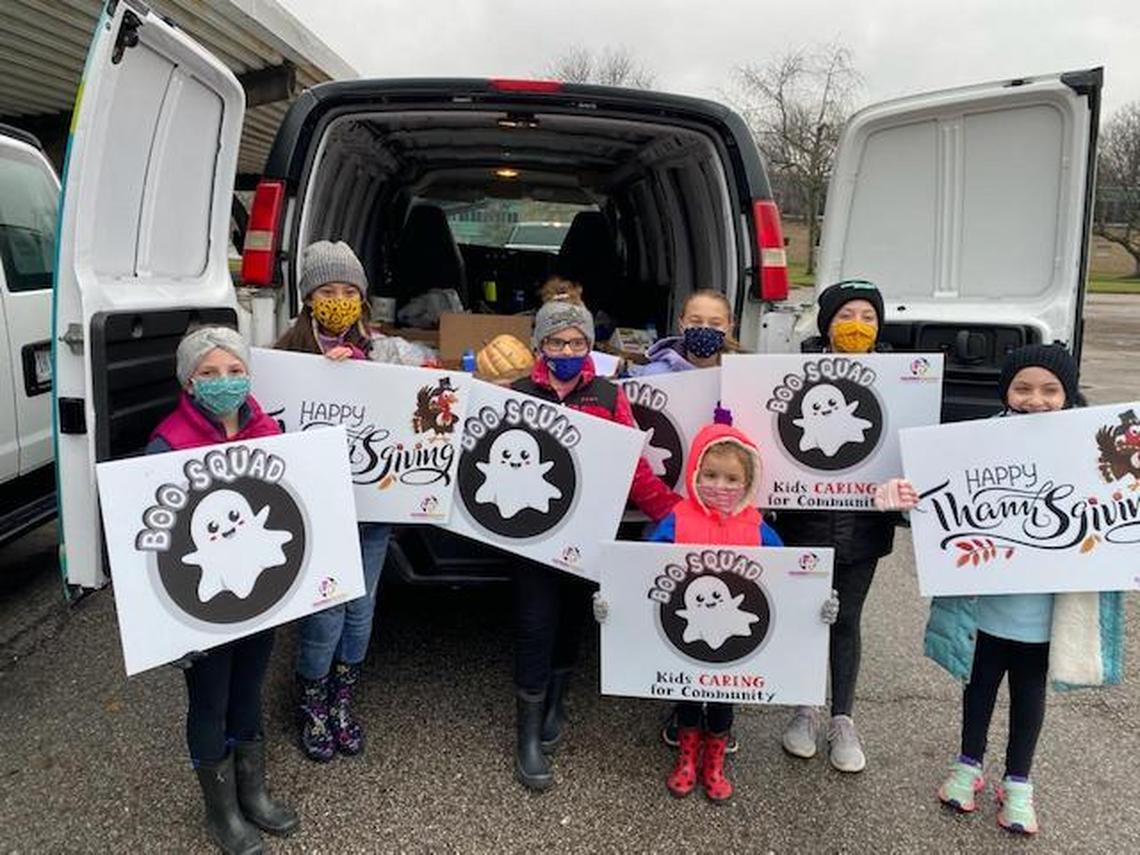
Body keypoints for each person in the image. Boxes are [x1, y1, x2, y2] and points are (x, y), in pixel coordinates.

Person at [875, 343, 1124, 836]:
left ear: (1068, 393)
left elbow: (1118, 510)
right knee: (979, 688)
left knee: (1029, 698)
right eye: (1022, 388)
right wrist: (904, 498)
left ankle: (1019, 783)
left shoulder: (1094, 451)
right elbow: (935, 504)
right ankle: (968, 765)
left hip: (1044, 616)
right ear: (1005, 391)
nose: (1036, 399)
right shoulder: (974, 445)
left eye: (1050, 390)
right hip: (983, 610)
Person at [596, 409, 838, 802]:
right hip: (686, 637)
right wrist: (613, 602)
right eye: (710, 475)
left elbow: (787, 581)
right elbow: (643, 572)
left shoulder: (757, 528)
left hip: (734, 645)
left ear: (748, 481)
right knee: (688, 697)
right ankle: (687, 759)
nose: (719, 486)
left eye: (731, 479)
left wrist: (817, 602)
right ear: (695, 473)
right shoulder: (676, 520)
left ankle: (714, 762)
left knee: (725, 702)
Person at [511, 285, 682, 791]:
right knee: (534, 626)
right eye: (556, 342)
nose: (566, 351)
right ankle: (527, 735)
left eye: (576, 342)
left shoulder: (610, 396)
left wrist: (678, 517)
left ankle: (558, 701)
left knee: (570, 622)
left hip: (586, 537)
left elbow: (634, 469)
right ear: (539, 345)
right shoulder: (517, 393)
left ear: (589, 345)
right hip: (531, 537)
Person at [147, 326, 299, 855]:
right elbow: (152, 544)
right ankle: (222, 813)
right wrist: (164, 627)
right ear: (189, 382)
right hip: (202, 611)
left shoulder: (268, 431)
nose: (224, 380)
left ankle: (252, 793)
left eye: (234, 370)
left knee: (249, 691)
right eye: (209, 373)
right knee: (210, 700)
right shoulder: (167, 443)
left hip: (258, 601)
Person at [776, 279, 902, 773]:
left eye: (868, 317)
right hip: (803, 524)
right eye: (846, 316)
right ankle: (805, 708)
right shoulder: (791, 376)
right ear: (827, 324)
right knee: (806, 616)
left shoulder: (899, 384)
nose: (857, 326)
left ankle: (843, 717)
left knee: (847, 618)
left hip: (864, 530)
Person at [275, 240, 393, 762]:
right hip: (316, 513)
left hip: (371, 512)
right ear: (308, 298)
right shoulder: (284, 356)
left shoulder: (383, 353)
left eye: (349, 292)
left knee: (361, 610)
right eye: (328, 292)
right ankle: (313, 700)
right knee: (325, 612)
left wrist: (363, 370)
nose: (340, 301)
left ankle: (343, 698)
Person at [623, 289, 736, 376]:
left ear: (729, 328)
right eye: (696, 322)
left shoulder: (738, 376)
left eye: (715, 323)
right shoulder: (655, 374)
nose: (704, 328)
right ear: (681, 325)